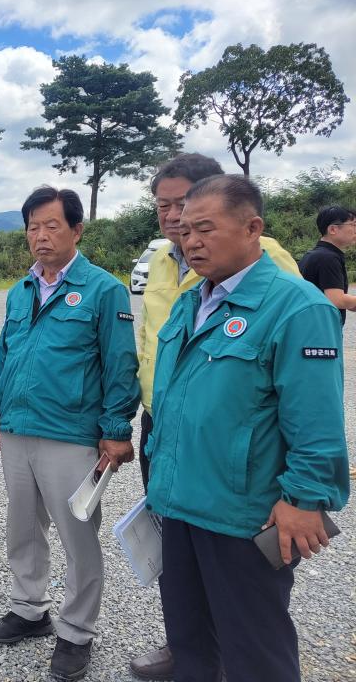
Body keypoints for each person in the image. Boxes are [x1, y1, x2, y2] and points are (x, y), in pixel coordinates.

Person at [147, 174, 349, 682]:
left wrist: (304, 499)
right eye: (186, 230)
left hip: (243, 513)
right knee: (189, 641)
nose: (191, 240)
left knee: (254, 648)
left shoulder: (297, 307)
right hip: (180, 504)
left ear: (253, 228)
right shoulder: (192, 302)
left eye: (206, 229)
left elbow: (317, 421)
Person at [131, 153, 301, 680]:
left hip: (237, 455)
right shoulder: (165, 263)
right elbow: (146, 343)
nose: (179, 222)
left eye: (189, 209)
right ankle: (189, 650)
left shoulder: (275, 276)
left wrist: (303, 496)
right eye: (166, 208)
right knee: (181, 574)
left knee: (247, 597)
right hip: (169, 433)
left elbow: (299, 393)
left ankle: (233, 651)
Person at [0, 186, 140, 681]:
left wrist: (116, 428)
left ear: (76, 230)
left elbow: (120, 364)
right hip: (17, 429)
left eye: (52, 225)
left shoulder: (103, 289)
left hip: (73, 434)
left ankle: (76, 631)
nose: (41, 236)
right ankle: (29, 608)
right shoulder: (20, 289)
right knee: (23, 527)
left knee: (78, 535)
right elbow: (7, 355)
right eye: (33, 226)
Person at [298, 205, 356, 325]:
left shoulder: (316, 254)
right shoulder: (328, 258)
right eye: (353, 225)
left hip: (309, 328)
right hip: (320, 333)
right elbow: (336, 299)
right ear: (333, 230)